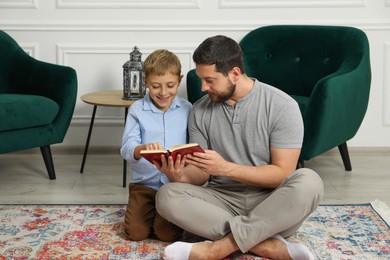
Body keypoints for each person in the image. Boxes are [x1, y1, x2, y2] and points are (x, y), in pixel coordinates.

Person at [155, 35, 324, 259]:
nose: (203, 87)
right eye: (201, 79)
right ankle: (267, 245)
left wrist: (225, 168)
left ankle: (217, 249)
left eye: (210, 80)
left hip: (272, 203)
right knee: (167, 195)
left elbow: (281, 174)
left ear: (234, 74)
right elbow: (201, 173)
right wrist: (179, 176)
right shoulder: (199, 111)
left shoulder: (283, 106)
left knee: (310, 182)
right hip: (221, 202)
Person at [120, 49, 192, 242]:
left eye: (170, 85)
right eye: (155, 86)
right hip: (144, 185)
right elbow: (126, 147)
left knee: (167, 234)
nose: (163, 93)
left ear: (180, 80)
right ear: (145, 82)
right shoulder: (137, 110)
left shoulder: (188, 109)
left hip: (174, 185)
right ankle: (145, 213)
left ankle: (159, 218)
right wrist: (140, 149)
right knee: (135, 233)